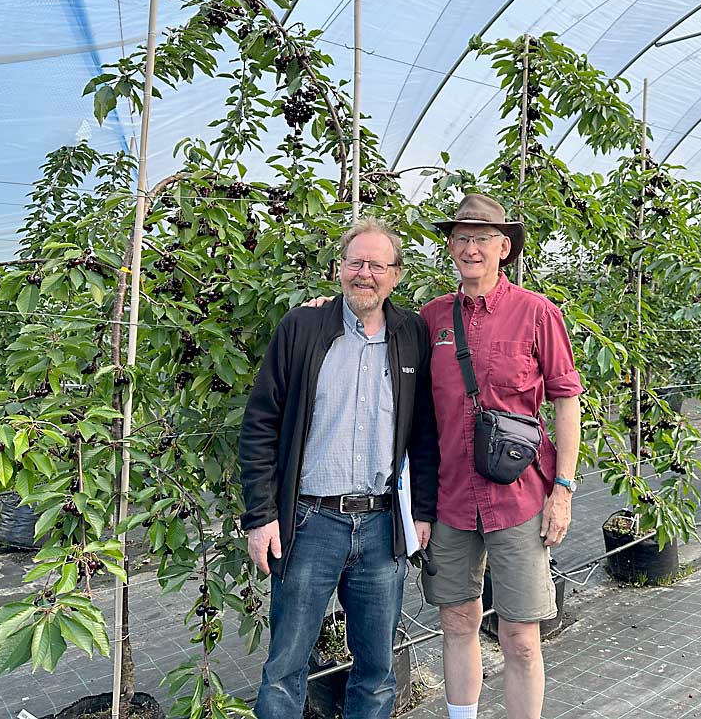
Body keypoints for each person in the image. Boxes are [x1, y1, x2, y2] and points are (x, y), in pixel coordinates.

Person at [238, 218, 439, 719]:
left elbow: (424, 432)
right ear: (339, 269)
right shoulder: (303, 327)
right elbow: (261, 424)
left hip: (380, 525)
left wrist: (424, 511)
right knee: (285, 669)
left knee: (376, 674)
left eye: (377, 264)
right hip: (310, 524)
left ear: (395, 275)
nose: (364, 273)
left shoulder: (412, 334)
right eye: (355, 262)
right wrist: (261, 516)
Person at [421, 193, 582, 719]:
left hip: (519, 498)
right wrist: (324, 310)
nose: (471, 248)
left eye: (482, 238)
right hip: (450, 497)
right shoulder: (431, 319)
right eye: (462, 237)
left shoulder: (537, 313)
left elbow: (566, 399)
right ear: (450, 246)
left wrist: (563, 489)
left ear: (504, 247)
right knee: (459, 622)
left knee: (521, 635)